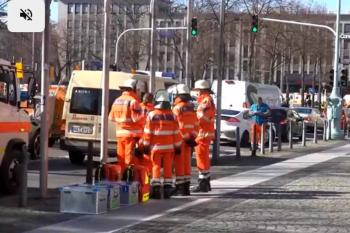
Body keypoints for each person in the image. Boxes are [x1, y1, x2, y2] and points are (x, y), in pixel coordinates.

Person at [143, 90, 182, 199]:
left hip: (155, 147)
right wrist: (178, 146)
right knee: (168, 167)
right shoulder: (173, 116)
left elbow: (147, 132)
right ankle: (167, 190)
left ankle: (156, 190)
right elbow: (176, 133)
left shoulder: (151, 115)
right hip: (169, 147)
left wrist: (145, 146)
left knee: (156, 166)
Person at [109, 79, 145, 173]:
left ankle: (122, 176)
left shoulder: (117, 101)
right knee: (129, 158)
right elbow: (138, 119)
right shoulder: (133, 102)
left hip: (120, 134)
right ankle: (129, 176)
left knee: (121, 158)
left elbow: (111, 118)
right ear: (133, 89)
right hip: (131, 135)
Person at [172, 84, 198, 196]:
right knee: (187, 162)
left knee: (179, 163)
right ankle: (186, 187)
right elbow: (197, 125)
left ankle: (180, 188)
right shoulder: (191, 108)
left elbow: (175, 125)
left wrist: (182, 137)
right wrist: (192, 136)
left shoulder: (177, 108)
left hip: (180, 139)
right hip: (189, 140)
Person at [191, 80, 216, 193]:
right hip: (205, 133)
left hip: (202, 134)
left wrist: (193, 118)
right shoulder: (207, 100)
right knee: (204, 158)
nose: (196, 93)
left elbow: (201, 117)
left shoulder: (205, 101)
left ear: (201, 90)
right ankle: (206, 183)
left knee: (201, 159)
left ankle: (203, 184)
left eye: (197, 91)